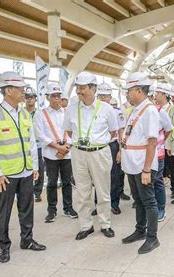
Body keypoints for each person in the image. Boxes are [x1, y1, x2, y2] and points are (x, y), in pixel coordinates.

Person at [0, 71, 46, 263]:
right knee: (4, 211)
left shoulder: (25, 113)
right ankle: (4, 247)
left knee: (26, 207)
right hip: (6, 175)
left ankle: (27, 240)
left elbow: (31, 142)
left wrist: (35, 166)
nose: (24, 92)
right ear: (9, 90)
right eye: (20, 88)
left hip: (26, 170)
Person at [63, 71, 118, 240]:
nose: (79, 91)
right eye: (77, 88)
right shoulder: (71, 108)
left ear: (93, 88)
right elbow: (69, 130)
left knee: (103, 191)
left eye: (82, 88)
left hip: (100, 152)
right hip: (79, 153)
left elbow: (113, 131)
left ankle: (105, 224)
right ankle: (86, 225)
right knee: (82, 192)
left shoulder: (107, 109)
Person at [119, 72, 160, 254]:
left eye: (129, 90)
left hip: (142, 165)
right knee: (138, 200)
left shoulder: (149, 110)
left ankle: (152, 237)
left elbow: (152, 142)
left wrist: (146, 170)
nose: (128, 94)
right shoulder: (136, 109)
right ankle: (140, 230)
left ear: (138, 90)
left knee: (149, 201)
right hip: (131, 164)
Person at [34, 83, 77, 223]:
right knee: (52, 183)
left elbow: (73, 131)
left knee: (67, 182)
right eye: (54, 96)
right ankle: (51, 210)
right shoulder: (41, 114)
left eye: (59, 96)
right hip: (51, 154)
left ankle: (68, 207)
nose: (57, 98)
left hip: (67, 153)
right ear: (47, 97)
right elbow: (40, 134)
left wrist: (66, 147)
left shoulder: (67, 112)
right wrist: (57, 148)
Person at [97, 82, 126, 215]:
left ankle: (114, 203)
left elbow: (121, 132)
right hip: (98, 146)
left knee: (114, 175)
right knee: (98, 176)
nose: (103, 99)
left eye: (106, 96)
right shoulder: (94, 111)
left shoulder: (117, 112)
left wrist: (120, 150)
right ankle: (98, 204)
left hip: (113, 145)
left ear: (110, 97)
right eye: (101, 96)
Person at [154, 83, 174, 222]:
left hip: (158, 151)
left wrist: (161, 141)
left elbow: (168, 129)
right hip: (146, 152)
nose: (155, 96)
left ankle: (161, 208)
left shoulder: (163, 111)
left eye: (158, 94)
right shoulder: (150, 109)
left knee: (157, 180)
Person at [24, 87, 44, 202]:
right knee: (26, 168)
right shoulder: (20, 112)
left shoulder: (40, 113)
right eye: (27, 97)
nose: (29, 100)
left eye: (31, 97)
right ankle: (27, 192)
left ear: (35, 99)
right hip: (26, 146)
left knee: (40, 169)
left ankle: (37, 192)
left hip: (39, 146)